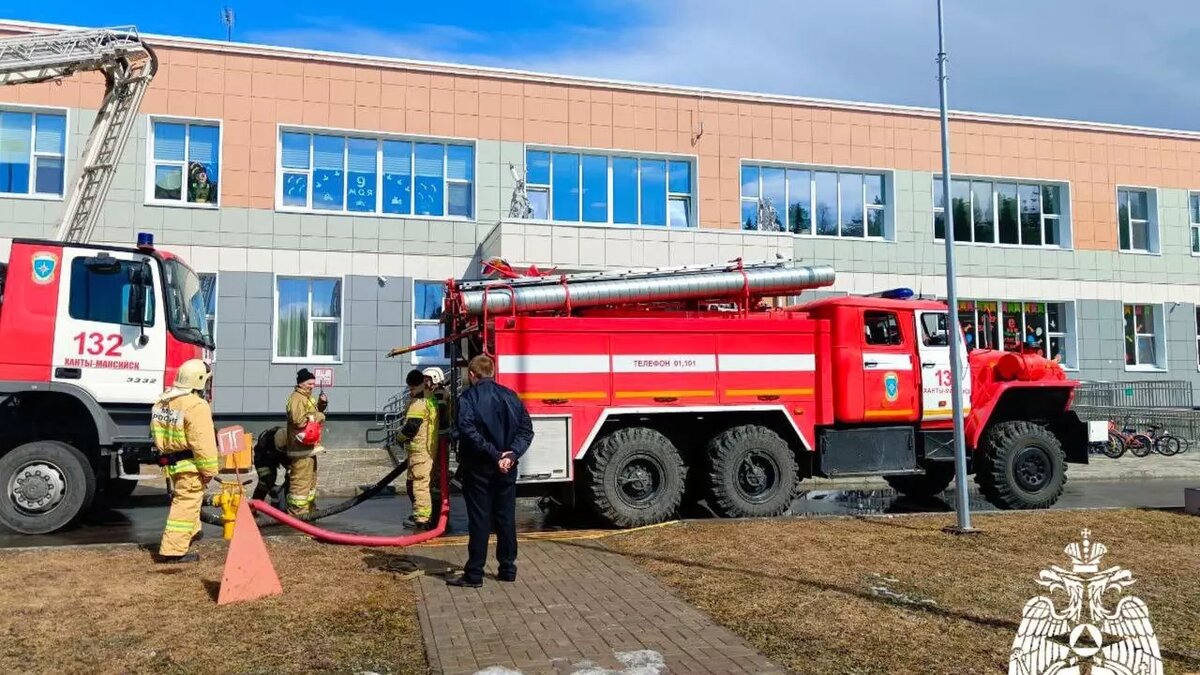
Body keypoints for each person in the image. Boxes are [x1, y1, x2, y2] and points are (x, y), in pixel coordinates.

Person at [447, 354, 534, 588]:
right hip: (507, 468)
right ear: (493, 373)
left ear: (472, 375)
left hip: (479, 468)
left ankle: (475, 573)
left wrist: (494, 454)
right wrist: (511, 454)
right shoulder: (511, 396)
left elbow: (467, 430)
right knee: (506, 518)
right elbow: (527, 431)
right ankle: (508, 569)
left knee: (479, 519)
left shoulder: (468, 398)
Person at [151, 359, 218, 563]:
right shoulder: (197, 405)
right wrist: (209, 471)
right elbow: (203, 442)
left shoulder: (162, 402)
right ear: (199, 381)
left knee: (189, 501)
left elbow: (157, 434)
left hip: (172, 464)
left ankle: (193, 531)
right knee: (185, 505)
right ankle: (173, 550)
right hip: (190, 465)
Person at [395, 369, 439, 529]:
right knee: (419, 484)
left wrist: (398, 437)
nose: (411, 391)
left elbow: (411, 428)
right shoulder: (430, 399)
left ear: (421, 385)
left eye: (413, 388)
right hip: (427, 450)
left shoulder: (418, 405)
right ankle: (425, 516)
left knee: (419, 485)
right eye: (410, 388)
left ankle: (422, 520)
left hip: (419, 452)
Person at [285, 368, 328, 516]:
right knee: (300, 486)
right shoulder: (297, 398)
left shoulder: (306, 397)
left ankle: (309, 511)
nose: (312, 386)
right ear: (301, 383)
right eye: (309, 383)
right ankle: (297, 516)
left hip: (309, 448)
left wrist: (322, 405)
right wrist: (319, 416)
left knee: (310, 485)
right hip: (300, 449)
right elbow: (298, 420)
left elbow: (311, 413)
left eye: (313, 384)